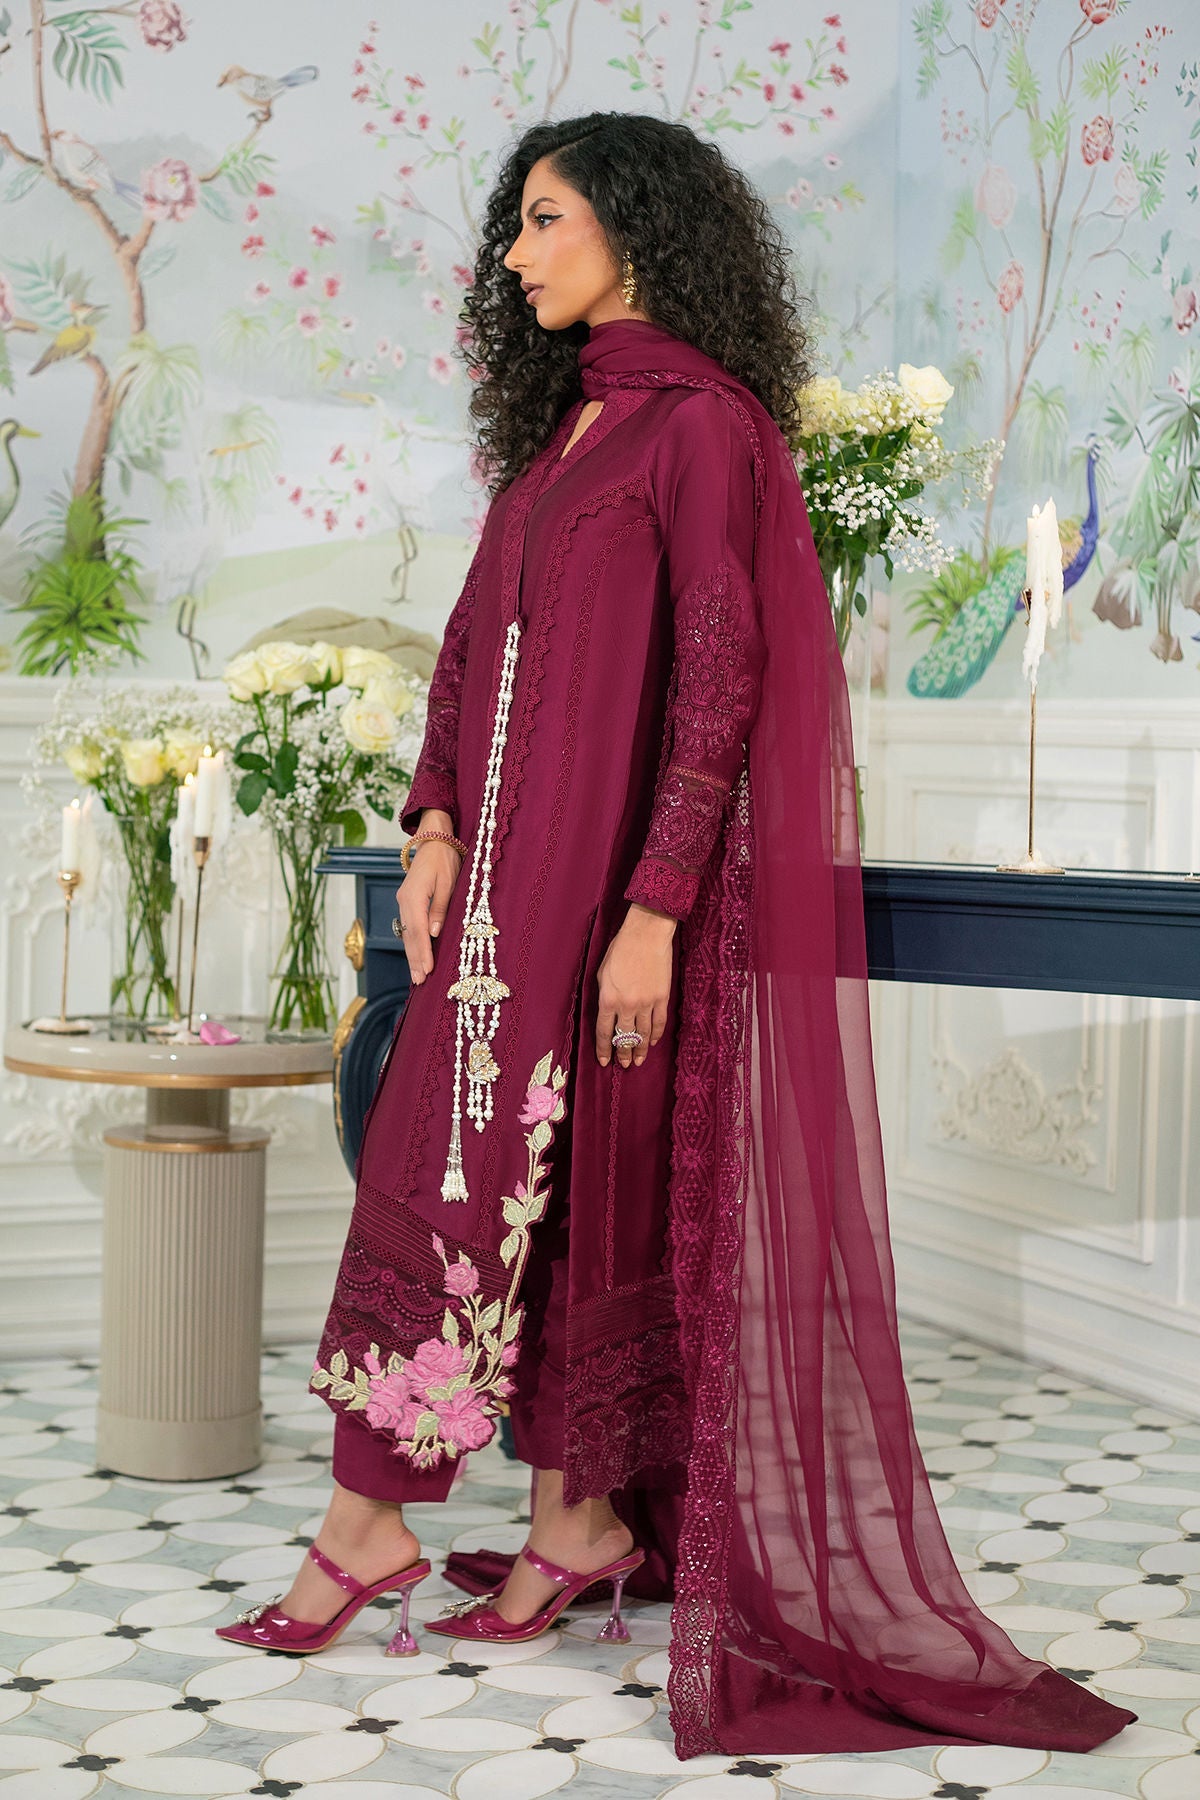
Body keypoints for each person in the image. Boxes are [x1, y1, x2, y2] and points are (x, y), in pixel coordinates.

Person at [216, 111, 1137, 1759]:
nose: (515, 255)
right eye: (514, 226)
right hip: (495, 900)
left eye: (544, 220)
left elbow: (724, 674)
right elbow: (469, 649)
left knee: (555, 1181)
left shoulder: (704, 430)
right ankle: (567, 1522)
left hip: (604, 904)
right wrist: (432, 824)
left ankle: (386, 1527)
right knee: (490, 1175)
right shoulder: (563, 434)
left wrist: (651, 915)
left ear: (633, 228)